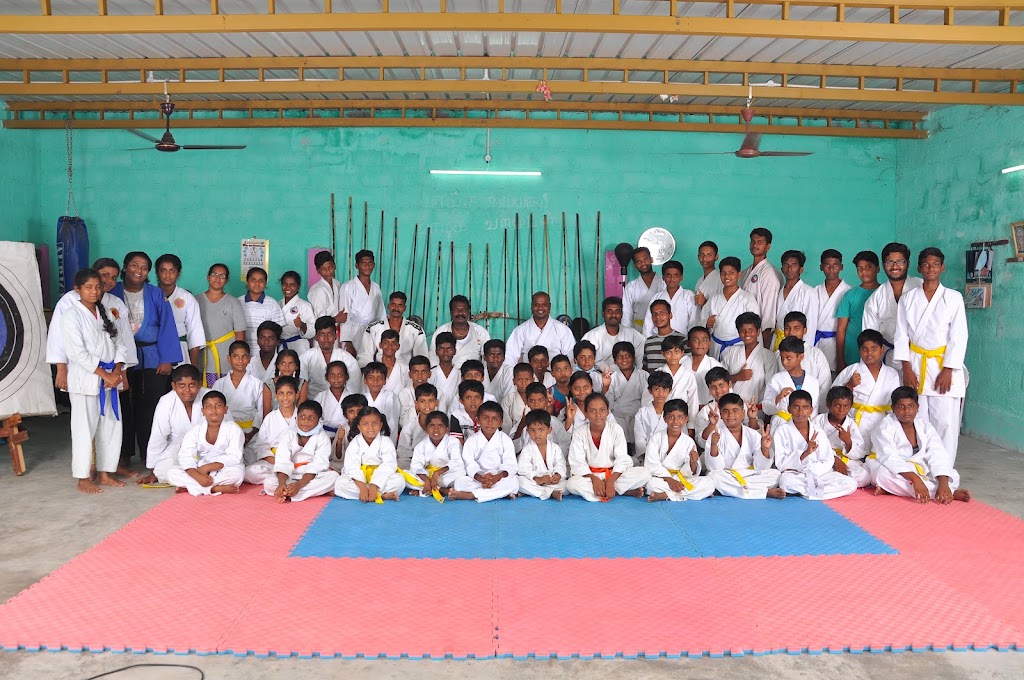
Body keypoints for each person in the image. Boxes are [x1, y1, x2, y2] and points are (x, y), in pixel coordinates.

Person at [893, 247, 968, 463]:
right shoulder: (909, 298)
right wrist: (906, 368)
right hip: (915, 364)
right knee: (917, 419)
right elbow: (901, 334)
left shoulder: (953, 298)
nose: (931, 268)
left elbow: (959, 336)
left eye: (935, 264)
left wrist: (948, 370)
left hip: (943, 366)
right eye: (926, 264)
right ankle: (922, 467)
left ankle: (944, 470)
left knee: (945, 422)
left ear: (942, 267)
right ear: (919, 267)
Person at [111, 251, 182, 467]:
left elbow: (167, 325)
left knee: (151, 406)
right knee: (121, 406)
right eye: (134, 265)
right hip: (118, 358)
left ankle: (148, 453)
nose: (138, 270)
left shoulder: (155, 294)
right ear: (125, 268)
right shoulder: (112, 291)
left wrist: (167, 359)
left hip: (151, 357)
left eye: (144, 267)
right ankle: (122, 453)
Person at [62, 268, 129, 494]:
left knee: (111, 427)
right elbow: (78, 354)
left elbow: (120, 344)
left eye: (97, 287)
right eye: (88, 287)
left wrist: (117, 370)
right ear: (77, 289)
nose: (94, 291)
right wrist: (105, 374)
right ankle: (82, 477)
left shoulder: (106, 313)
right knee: (83, 429)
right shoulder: (71, 315)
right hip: (87, 381)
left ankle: (104, 473)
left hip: (110, 381)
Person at [47, 257, 137, 410]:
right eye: (105, 275)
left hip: (111, 372)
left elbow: (124, 340)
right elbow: (57, 336)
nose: (109, 281)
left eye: (114, 278)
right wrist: (61, 369)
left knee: (107, 419)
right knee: (85, 418)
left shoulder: (115, 304)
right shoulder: (69, 301)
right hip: (82, 370)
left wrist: (122, 372)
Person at [873, 387, 970, 504]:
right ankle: (948, 493)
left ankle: (896, 490)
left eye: (911, 406)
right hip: (896, 468)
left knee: (952, 474)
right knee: (883, 475)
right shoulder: (885, 426)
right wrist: (915, 479)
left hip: (919, 467)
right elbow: (889, 457)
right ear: (893, 408)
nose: (906, 411)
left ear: (917, 408)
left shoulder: (924, 425)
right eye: (901, 407)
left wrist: (943, 484)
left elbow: (937, 452)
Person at [566, 393, 651, 501]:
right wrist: (594, 479)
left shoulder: (616, 429)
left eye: (602, 410)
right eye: (592, 411)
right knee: (571, 484)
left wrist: (610, 481)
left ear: (607, 411)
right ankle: (619, 491)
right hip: (590, 476)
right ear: (586, 413)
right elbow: (577, 462)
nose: (598, 415)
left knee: (645, 473)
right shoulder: (579, 432)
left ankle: (605, 491)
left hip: (613, 475)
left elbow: (622, 459)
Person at [775, 390, 858, 500]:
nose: (800, 412)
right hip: (795, 474)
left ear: (811, 410)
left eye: (805, 407)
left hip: (818, 473)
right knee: (786, 482)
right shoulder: (781, 431)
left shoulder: (818, 431)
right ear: (789, 409)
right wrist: (805, 453)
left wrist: (813, 472)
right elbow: (780, 463)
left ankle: (807, 492)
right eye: (796, 407)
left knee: (851, 483)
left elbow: (828, 460)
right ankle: (816, 491)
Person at [831, 329, 901, 451]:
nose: (869, 353)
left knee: (879, 455)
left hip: (883, 422)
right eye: (864, 349)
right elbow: (833, 397)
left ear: (881, 349)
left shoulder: (892, 374)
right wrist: (849, 385)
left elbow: (897, 402)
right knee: (854, 454)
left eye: (874, 348)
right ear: (859, 351)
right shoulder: (852, 370)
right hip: (856, 422)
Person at [704, 393, 783, 499]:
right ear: (721, 415)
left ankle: (733, 490)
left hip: (748, 474)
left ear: (743, 413)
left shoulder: (753, 434)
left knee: (776, 474)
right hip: (727, 475)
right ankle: (764, 492)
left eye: (735, 411)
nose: (730, 415)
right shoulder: (716, 435)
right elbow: (714, 468)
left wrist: (764, 448)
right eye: (725, 411)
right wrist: (714, 444)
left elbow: (761, 467)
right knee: (713, 477)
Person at [166, 391, 245, 496]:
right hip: (199, 470)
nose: (213, 410)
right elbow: (185, 455)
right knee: (171, 473)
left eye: (218, 406)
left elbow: (235, 456)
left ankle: (193, 487)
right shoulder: (195, 431)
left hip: (222, 468)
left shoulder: (234, 429)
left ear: (225, 409)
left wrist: (208, 467)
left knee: (238, 474)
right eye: (209, 406)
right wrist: (197, 476)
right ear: (202, 411)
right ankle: (215, 489)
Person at [142, 364, 208, 486]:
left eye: (192, 385)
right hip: (179, 450)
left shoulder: (210, 397)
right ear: (173, 386)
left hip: (207, 448)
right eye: (182, 385)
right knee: (162, 472)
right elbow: (158, 437)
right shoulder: (166, 402)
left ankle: (192, 480)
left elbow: (226, 428)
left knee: (228, 467)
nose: (187, 390)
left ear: (199, 384)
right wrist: (153, 471)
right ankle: (202, 479)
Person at [263, 400, 339, 503]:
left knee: (333, 477)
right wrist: (281, 484)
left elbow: (318, 465)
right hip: (290, 474)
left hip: (311, 477)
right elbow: (282, 461)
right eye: (302, 417)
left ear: (319, 421)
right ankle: (290, 490)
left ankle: (289, 493)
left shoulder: (323, 438)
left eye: (311, 418)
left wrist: (299, 485)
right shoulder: (288, 436)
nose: (306, 421)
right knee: (269, 483)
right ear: (296, 418)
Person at [862, 243, 921, 369]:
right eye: (890, 262)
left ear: (908, 263)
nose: (895, 266)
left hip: (921, 354)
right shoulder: (875, 298)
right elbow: (869, 338)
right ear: (883, 265)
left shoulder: (920, 287)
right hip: (891, 359)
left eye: (900, 261)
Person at [644, 400, 715, 502]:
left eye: (680, 417)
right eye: (671, 417)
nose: (675, 421)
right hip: (662, 479)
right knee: (651, 484)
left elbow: (691, 472)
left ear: (686, 419)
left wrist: (693, 462)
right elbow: (651, 464)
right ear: (665, 419)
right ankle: (681, 494)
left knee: (709, 483)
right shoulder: (656, 438)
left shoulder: (689, 442)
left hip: (681, 479)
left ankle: (666, 495)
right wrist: (670, 480)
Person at [448, 401, 520, 502]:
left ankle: (471, 495)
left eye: (494, 419)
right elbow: (469, 464)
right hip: (478, 478)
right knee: (460, 482)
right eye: (485, 418)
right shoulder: (472, 440)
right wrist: (481, 478)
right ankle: (499, 494)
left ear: (500, 422)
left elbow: (510, 464)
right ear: (478, 420)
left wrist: (496, 477)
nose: (490, 423)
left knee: (514, 483)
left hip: (499, 477)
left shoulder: (505, 440)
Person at [334, 406, 404, 502]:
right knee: (340, 483)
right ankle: (381, 495)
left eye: (374, 423)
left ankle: (371, 493)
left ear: (380, 425)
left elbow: (388, 465)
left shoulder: (386, 442)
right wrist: (362, 487)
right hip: (360, 479)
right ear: (359, 426)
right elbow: (352, 466)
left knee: (399, 480)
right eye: (365, 424)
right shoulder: (355, 443)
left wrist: (374, 485)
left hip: (380, 478)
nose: (370, 428)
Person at [197, 263, 247, 387]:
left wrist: (237, 358)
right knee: (205, 394)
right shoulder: (196, 300)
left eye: (222, 276)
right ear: (208, 277)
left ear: (226, 280)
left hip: (226, 358)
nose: (218, 278)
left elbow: (240, 333)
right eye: (214, 274)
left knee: (226, 395)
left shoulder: (233, 303)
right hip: (203, 355)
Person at [812, 386, 871, 488]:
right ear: (829, 405)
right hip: (824, 459)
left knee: (864, 475)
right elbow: (813, 445)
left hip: (845, 459)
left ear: (850, 406)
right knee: (816, 471)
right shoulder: (818, 421)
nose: (841, 410)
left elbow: (859, 452)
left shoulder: (851, 424)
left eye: (846, 406)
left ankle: (836, 481)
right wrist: (834, 459)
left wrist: (847, 441)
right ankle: (840, 481)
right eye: (837, 405)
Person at [702, 257, 759, 359]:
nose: (726, 276)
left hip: (739, 347)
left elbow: (755, 326)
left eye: (731, 273)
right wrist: (706, 323)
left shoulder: (747, 298)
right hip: (716, 347)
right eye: (723, 273)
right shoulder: (714, 298)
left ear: (739, 274)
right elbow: (702, 320)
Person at [212, 342, 269, 444]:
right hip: (226, 430)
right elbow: (214, 409)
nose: (240, 361)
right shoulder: (219, 384)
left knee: (252, 457)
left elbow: (261, 411)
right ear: (229, 358)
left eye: (244, 357)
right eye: (235, 356)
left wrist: (251, 434)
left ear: (249, 359)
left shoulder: (257, 384)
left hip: (251, 431)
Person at [243, 376, 299, 480]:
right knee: (249, 473)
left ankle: (282, 478)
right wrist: (274, 460)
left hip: (296, 460)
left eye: (289, 393)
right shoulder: (270, 418)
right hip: (274, 460)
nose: (285, 398)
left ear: (297, 394)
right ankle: (285, 478)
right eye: (281, 393)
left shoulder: (302, 417)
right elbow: (261, 445)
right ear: (276, 395)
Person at [154, 254, 205, 367]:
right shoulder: (149, 295)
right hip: (153, 349)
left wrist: (194, 365)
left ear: (178, 273)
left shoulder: (187, 298)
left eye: (172, 270)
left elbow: (195, 332)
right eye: (163, 270)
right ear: (157, 272)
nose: (167, 275)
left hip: (180, 349)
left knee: (180, 383)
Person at [835, 250, 881, 372]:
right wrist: (840, 359)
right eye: (860, 268)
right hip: (852, 350)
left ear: (878, 268)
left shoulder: (884, 293)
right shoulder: (850, 295)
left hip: (879, 350)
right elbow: (841, 329)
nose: (864, 272)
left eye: (868, 267)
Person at [763, 336, 821, 432]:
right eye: (782, 358)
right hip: (781, 425)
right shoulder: (777, 379)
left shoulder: (813, 382)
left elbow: (814, 411)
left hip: (804, 427)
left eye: (789, 358)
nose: (784, 362)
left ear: (801, 357)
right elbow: (766, 408)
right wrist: (778, 398)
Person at [693, 367, 759, 450]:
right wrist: (712, 424)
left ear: (730, 384)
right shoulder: (705, 412)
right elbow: (701, 442)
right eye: (713, 387)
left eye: (721, 385)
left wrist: (752, 418)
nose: (718, 391)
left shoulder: (741, 405)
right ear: (709, 389)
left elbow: (754, 435)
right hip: (716, 454)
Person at [774, 311, 831, 407]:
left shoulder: (816, 354)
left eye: (797, 328)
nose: (791, 332)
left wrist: (817, 412)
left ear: (805, 330)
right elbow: (773, 386)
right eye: (788, 328)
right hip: (783, 411)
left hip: (809, 410)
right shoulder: (777, 355)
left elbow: (824, 386)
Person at [504, 292, 575, 366]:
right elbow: (510, 357)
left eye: (544, 304)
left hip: (556, 375)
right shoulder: (520, 330)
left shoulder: (563, 329)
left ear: (550, 306)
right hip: (529, 376)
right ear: (531, 306)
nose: (540, 308)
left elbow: (571, 357)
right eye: (536, 305)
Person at [720, 312, 776, 408]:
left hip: (756, 408)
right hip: (730, 408)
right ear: (738, 333)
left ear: (758, 332)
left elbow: (771, 387)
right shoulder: (731, 352)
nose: (747, 334)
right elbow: (720, 379)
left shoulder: (768, 356)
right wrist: (737, 377)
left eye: (751, 330)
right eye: (743, 331)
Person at [740, 228, 783, 348]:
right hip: (743, 330)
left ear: (768, 246)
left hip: (758, 334)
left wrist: (762, 341)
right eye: (753, 241)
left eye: (760, 242)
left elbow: (769, 310)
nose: (755, 245)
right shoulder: (746, 272)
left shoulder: (770, 273)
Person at [359, 291, 428, 366]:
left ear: (405, 308)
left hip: (407, 372)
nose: (396, 308)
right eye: (393, 304)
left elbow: (421, 357)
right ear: (388, 306)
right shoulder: (373, 328)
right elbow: (365, 356)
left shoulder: (416, 330)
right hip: (380, 372)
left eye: (400, 305)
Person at [408, 410, 465, 500]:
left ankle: (430, 489)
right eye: (432, 426)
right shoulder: (421, 445)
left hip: (446, 474)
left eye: (440, 426)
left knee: (461, 475)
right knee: (406, 476)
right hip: (428, 475)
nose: (436, 430)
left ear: (447, 429)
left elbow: (456, 462)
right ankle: (441, 489)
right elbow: (415, 466)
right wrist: (427, 479)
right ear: (426, 428)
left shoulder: (453, 442)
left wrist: (438, 472)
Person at [644, 335, 699, 425]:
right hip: (659, 418)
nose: (673, 356)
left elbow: (693, 401)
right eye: (669, 352)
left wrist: (691, 425)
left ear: (682, 353)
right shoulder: (657, 373)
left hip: (681, 419)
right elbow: (647, 398)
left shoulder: (688, 375)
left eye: (676, 352)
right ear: (663, 353)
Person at [300, 316, 362, 398]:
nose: (326, 338)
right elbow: (301, 385)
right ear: (316, 337)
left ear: (335, 336)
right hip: (313, 404)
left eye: (330, 334)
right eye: (322, 334)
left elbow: (354, 388)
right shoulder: (305, 358)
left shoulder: (348, 359)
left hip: (342, 404)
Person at [339, 249, 386, 350]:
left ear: (374, 265)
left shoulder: (376, 287)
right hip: (354, 333)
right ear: (357, 265)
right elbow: (344, 316)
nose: (367, 266)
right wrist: (347, 341)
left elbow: (381, 314)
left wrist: (382, 335)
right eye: (363, 263)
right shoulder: (348, 286)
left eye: (370, 263)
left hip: (373, 332)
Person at [772, 250, 818, 352]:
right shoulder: (778, 291)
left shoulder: (809, 292)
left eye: (794, 265)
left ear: (801, 269)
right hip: (778, 340)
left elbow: (810, 326)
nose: (789, 268)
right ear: (782, 268)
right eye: (786, 265)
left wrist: (805, 351)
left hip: (796, 344)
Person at [814, 249, 852, 372]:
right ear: (821, 267)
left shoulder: (848, 292)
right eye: (827, 265)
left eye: (835, 265)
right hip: (817, 342)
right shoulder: (814, 291)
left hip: (840, 343)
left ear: (841, 267)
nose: (831, 269)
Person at [516, 409, 567, 500]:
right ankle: (550, 493)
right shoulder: (527, 449)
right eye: (533, 430)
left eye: (541, 430)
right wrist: (538, 479)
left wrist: (558, 475)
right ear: (527, 431)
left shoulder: (555, 448)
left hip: (552, 482)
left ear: (549, 430)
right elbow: (523, 469)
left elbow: (560, 464)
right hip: (536, 481)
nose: (537, 434)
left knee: (568, 485)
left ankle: (537, 492)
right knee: (519, 482)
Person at [582, 297, 645, 369]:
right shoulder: (591, 336)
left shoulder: (633, 335)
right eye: (609, 311)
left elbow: (641, 361)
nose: (613, 315)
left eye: (617, 311)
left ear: (621, 314)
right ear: (603, 313)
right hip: (599, 377)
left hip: (628, 378)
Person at [605, 341, 648, 447]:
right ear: (615, 360)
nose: (624, 360)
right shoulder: (613, 378)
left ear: (633, 357)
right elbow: (608, 404)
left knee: (639, 447)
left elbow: (647, 400)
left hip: (638, 417)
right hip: (618, 419)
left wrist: (643, 417)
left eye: (628, 356)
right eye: (620, 357)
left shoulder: (644, 376)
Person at [430, 295, 491, 368]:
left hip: (473, 377)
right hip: (445, 376)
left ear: (468, 312)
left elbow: (487, 359)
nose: (460, 313)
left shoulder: (481, 332)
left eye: (463, 310)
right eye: (456, 310)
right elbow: (433, 357)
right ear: (451, 312)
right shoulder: (440, 331)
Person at [642, 260, 698, 338]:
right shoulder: (657, 297)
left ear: (681, 277)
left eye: (676, 275)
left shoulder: (688, 296)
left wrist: (690, 341)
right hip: (659, 340)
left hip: (682, 340)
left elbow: (693, 321)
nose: (672, 279)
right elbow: (648, 323)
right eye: (668, 275)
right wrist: (647, 342)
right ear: (663, 277)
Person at [238, 267, 286, 356]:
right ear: (247, 282)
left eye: (261, 280)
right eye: (253, 280)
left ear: (265, 283)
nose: (257, 283)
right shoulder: (238, 302)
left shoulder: (272, 303)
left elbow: (278, 331)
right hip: (242, 353)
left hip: (266, 353)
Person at [307, 251, 348, 349]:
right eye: (323, 269)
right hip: (323, 335)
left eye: (330, 267)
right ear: (318, 271)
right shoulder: (317, 290)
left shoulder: (338, 284)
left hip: (337, 332)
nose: (328, 271)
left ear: (334, 266)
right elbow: (319, 320)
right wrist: (335, 319)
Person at [397, 383, 441, 469]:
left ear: (437, 403)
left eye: (431, 401)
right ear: (416, 403)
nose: (427, 405)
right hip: (414, 470)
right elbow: (404, 458)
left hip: (438, 469)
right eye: (422, 401)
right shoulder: (408, 429)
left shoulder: (443, 427)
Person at [621, 246, 666, 331]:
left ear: (651, 259)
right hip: (638, 329)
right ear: (635, 265)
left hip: (660, 328)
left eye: (645, 259)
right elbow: (627, 314)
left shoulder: (664, 282)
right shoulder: (631, 287)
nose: (643, 263)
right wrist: (627, 334)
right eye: (639, 261)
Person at [633, 372, 671, 463]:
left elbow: (681, 438)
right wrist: (651, 458)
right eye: (656, 389)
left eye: (664, 389)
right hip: (648, 458)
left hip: (670, 458)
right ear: (650, 391)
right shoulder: (642, 413)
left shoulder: (674, 412)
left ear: (670, 391)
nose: (660, 393)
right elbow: (640, 441)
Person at [314, 361, 351, 451]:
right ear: (327, 378)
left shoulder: (352, 397)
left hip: (347, 436)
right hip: (325, 436)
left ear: (347, 377)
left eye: (340, 375)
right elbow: (315, 419)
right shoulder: (320, 397)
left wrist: (341, 436)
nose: (336, 378)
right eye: (332, 375)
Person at [277, 270, 316, 354]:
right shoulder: (277, 304)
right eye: (285, 284)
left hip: (299, 347)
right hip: (281, 346)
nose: (287, 288)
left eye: (292, 285)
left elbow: (313, 331)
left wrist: (302, 325)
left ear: (298, 286)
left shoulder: (304, 305)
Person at [362, 362, 400, 444]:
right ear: (365, 380)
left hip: (385, 440)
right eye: (371, 378)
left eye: (380, 378)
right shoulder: (362, 398)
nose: (375, 381)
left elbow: (392, 423)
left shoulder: (391, 397)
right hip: (365, 440)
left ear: (385, 381)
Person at [641, 300, 684, 373]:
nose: (658, 317)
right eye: (654, 314)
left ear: (670, 315)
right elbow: (645, 369)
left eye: (662, 313)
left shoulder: (682, 339)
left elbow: (686, 365)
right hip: (653, 383)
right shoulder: (649, 341)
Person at [685, 326, 723, 407]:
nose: (700, 344)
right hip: (682, 410)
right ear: (688, 343)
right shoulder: (681, 362)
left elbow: (725, 392)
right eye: (695, 340)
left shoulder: (715, 365)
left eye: (704, 340)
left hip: (708, 410)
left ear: (709, 343)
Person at [501, 363, 535, 441]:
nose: (524, 383)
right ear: (514, 381)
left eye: (527, 379)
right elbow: (507, 429)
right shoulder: (508, 400)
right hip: (514, 440)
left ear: (533, 380)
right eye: (520, 380)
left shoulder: (539, 398)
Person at [397, 355, 433, 429]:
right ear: (409, 374)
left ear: (430, 374)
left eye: (423, 372)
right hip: (410, 435)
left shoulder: (439, 393)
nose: (419, 376)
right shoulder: (404, 394)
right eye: (415, 372)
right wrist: (416, 410)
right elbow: (403, 423)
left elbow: (442, 419)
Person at [429, 332, 461, 413]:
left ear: (454, 351)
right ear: (436, 352)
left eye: (449, 349)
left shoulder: (461, 375)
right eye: (441, 349)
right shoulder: (430, 374)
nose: (445, 352)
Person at [693, 240, 722, 313]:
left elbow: (723, 305)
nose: (705, 259)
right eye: (702, 255)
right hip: (701, 321)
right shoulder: (700, 280)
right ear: (698, 256)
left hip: (714, 322)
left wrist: (705, 302)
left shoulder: (721, 279)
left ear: (716, 257)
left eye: (709, 255)